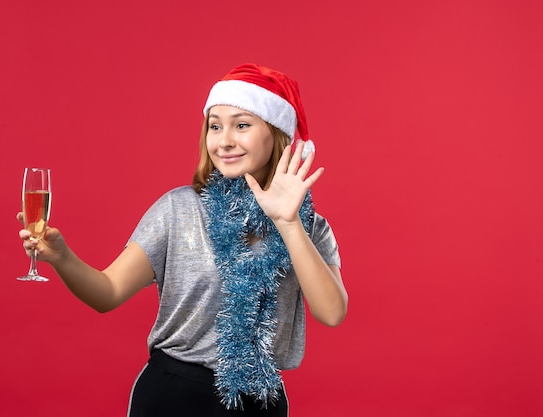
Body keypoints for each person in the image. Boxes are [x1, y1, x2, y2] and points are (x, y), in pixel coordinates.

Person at [18, 63, 348, 417]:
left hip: (260, 402)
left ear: (276, 134)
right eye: (215, 126)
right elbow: (107, 293)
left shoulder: (310, 227)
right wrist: (62, 257)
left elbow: (331, 313)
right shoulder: (179, 210)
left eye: (242, 125)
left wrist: (288, 223)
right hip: (174, 398)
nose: (224, 140)